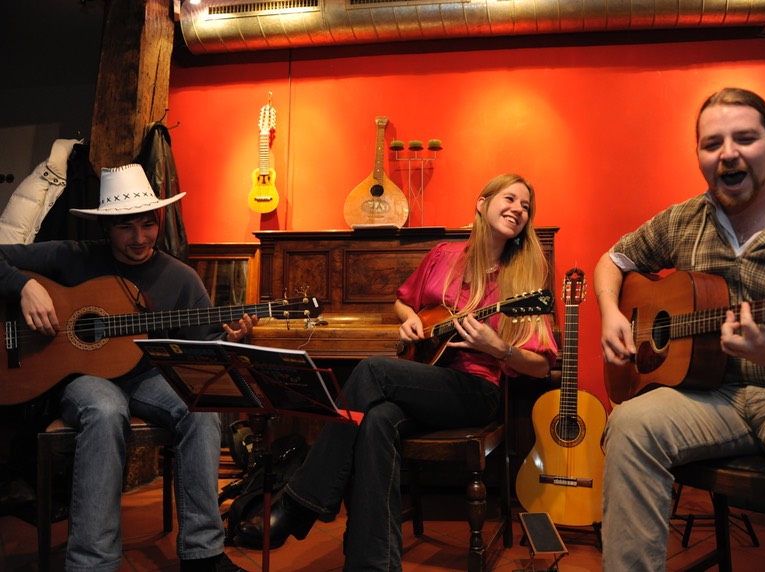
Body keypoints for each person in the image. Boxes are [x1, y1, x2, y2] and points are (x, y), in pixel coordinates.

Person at [594, 87, 765, 571]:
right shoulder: (684, 220)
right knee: (628, 427)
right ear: (698, 154)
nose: (729, 154)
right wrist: (612, 312)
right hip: (711, 393)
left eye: (745, 138)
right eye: (712, 143)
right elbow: (613, 260)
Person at [236, 173, 559, 570]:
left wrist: (499, 348)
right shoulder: (444, 255)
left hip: (476, 391)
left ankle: (300, 501)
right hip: (425, 379)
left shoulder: (524, 276)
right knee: (377, 420)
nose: (519, 210)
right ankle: (373, 563)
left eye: (526, 207)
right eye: (510, 199)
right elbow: (402, 303)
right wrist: (411, 322)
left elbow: (542, 364)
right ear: (482, 202)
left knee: (372, 372)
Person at [0, 163, 257, 572]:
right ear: (106, 229)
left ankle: (203, 554)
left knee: (201, 406)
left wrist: (230, 340)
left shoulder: (181, 278)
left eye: (148, 225)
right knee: (105, 411)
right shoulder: (73, 256)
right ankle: (92, 564)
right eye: (125, 228)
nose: (140, 239)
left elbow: (203, 344)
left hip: (148, 375)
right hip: (80, 376)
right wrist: (24, 286)